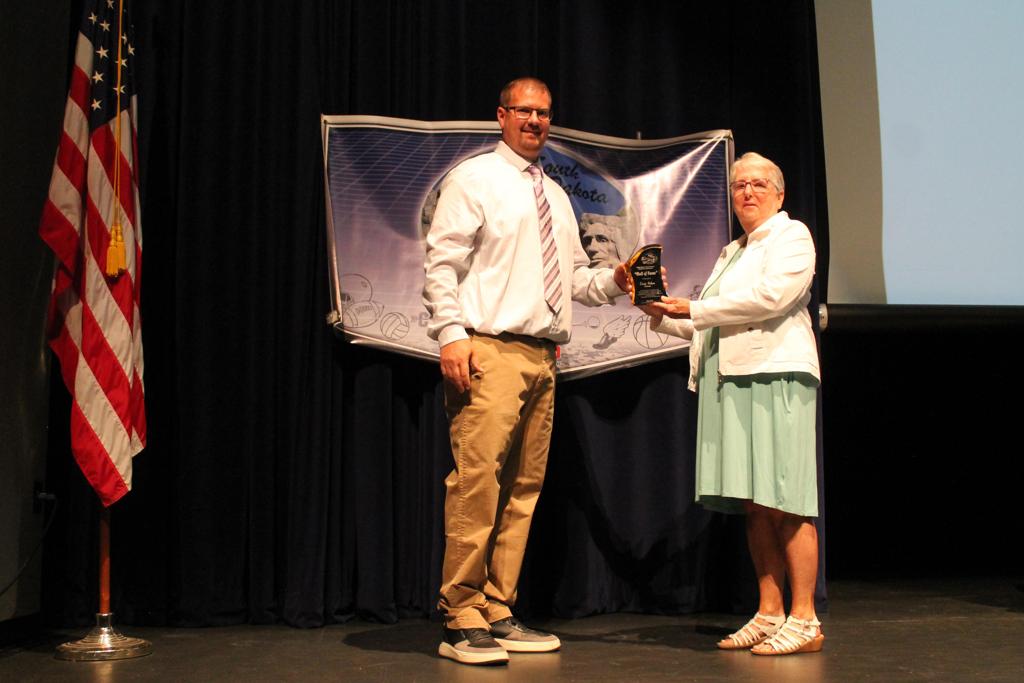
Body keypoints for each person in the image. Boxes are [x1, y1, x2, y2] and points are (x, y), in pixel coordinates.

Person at [422, 77, 629, 666]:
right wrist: (451, 334)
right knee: (477, 482)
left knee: (523, 488)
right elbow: (441, 262)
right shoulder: (475, 179)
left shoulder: (556, 196)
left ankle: (497, 606)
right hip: (487, 347)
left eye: (544, 113)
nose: (535, 121)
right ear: (502, 115)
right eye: (524, 111)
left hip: (542, 356)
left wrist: (615, 280)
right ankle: (460, 613)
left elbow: (574, 280)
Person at [642, 152, 824, 656]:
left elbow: (771, 298)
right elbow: (713, 323)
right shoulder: (732, 251)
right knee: (756, 503)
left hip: (776, 374)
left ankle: (804, 618)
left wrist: (694, 307)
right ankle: (769, 612)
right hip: (733, 379)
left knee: (787, 499)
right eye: (740, 185)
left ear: (779, 194)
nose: (747, 192)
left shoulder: (793, 236)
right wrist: (659, 313)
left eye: (759, 184)